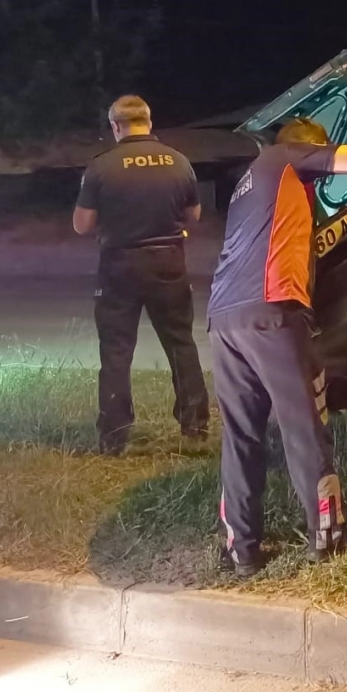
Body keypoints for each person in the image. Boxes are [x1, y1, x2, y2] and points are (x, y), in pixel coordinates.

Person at [207, 117, 347, 576]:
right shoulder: (286, 157)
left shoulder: (248, 183)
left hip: (223, 318)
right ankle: (328, 538)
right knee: (303, 427)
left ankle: (242, 551)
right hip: (273, 313)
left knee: (242, 436)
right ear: (310, 149)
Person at [73, 95, 211, 453]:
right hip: (168, 261)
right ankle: (195, 427)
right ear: (149, 122)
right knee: (180, 342)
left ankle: (114, 436)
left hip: (119, 266)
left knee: (116, 351)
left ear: (115, 126)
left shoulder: (101, 166)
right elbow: (194, 214)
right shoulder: (178, 161)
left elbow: (81, 224)